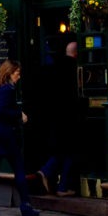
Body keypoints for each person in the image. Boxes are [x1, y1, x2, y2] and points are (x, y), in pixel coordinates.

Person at [0, 59, 40, 216]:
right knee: (19, 168)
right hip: (5, 134)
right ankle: (25, 205)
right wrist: (19, 115)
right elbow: (2, 111)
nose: (18, 77)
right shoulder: (8, 89)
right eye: (17, 73)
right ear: (9, 73)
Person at [37, 40, 80, 196]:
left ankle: (47, 171)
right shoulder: (74, 68)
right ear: (76, 54)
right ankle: (62, 185)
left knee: (63, 150)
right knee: (71, 151)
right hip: (70, 117)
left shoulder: (54, 67)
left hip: (55, 117)